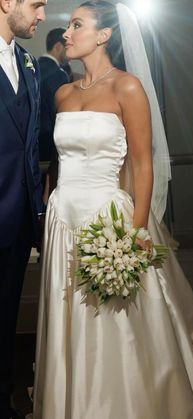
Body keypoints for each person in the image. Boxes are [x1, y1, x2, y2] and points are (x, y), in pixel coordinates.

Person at [33, 2, 193, 419]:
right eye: (68, 26)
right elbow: (57, 159)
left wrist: (136, 231)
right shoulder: (62, 92)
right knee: (67, 312)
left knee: (113, 320)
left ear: (103, 35)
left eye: (76, 25)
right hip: (62, 217)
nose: (66, 33)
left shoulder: (128, 88)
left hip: (108, 216)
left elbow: (143, 163)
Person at [0, 0, 47, 418]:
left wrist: (38, 212)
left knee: (5, 324)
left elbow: (29, 145)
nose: (43, 15)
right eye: (37, 4)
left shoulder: (29, 62)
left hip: (16, 224)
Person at [38, 27, 69, 162]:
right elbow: (59, 113)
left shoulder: (32, 67)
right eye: (66, 47)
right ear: (58, 47)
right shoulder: (58, 74)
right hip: (49, 142)